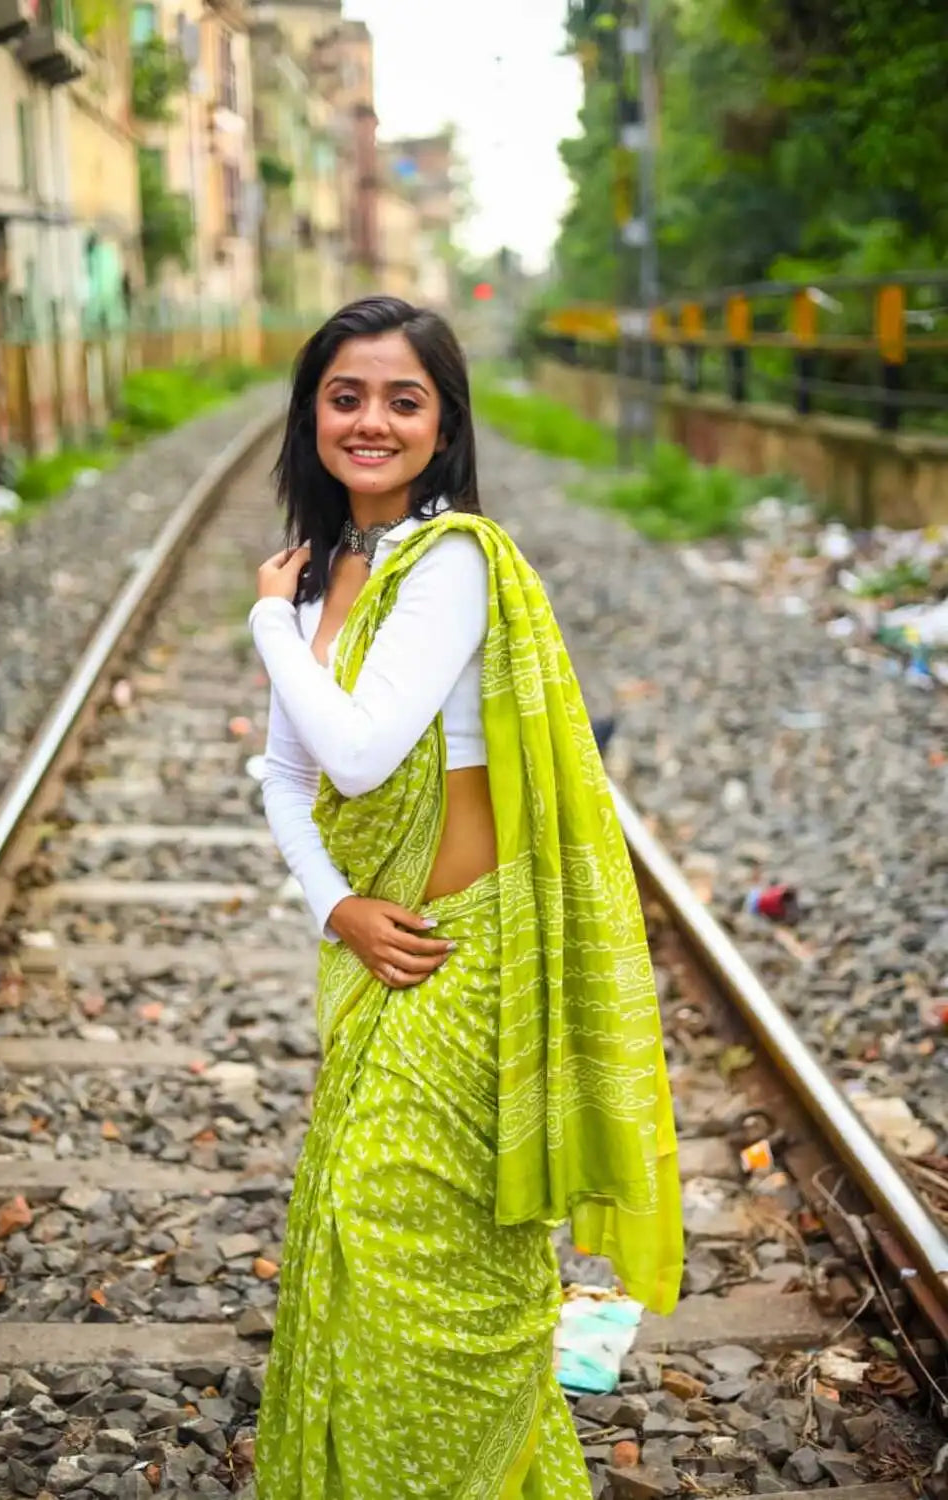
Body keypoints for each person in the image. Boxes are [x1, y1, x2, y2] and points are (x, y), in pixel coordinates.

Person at [248, 295, 682, 1500]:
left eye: (403, 399)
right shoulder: (331, 570)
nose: (371, 420)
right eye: (346, 396)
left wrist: (265, 627)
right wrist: (332, 904)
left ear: (442, 428)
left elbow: (364, 750)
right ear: (312, 414)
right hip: (383, 949)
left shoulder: (448, 564)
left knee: (422, 1257)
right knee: (354, 1241)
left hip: (468, 958)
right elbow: (286, 776)